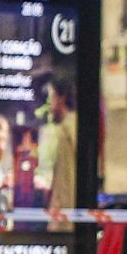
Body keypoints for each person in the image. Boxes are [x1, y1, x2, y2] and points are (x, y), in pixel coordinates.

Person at [32, 72, 78, 211]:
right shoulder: (70, 126)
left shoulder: (65, 129)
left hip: (64, 207)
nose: (49, 103)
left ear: (61, 97)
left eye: (51, 96)